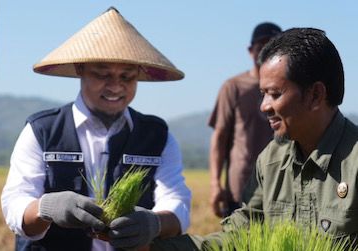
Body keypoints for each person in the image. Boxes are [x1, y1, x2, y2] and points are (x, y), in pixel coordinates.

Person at [0, 7, 191, 251]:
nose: (115, 87)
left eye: (127, 77)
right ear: (80, 69)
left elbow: (177, 202)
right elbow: (15, 204)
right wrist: (45, 208)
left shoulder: (157, 136)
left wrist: (155, 223)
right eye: (102, 74)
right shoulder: (42, 131)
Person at [150, 27, 358, 250]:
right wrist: (156, 248)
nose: (264, 106)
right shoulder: (271, 161)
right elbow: (242, 235)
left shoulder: (353, 162)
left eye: (275, 94)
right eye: (263, 94)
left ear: (315, 95)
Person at [208, 22, 281, 217]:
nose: (266, 52)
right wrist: (215, 184)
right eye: (261, 47)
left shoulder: (291, 90)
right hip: (240, 188)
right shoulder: (234, 87)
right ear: (250, 51)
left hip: (281, 188)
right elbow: (220, 137)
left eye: (273, 47)